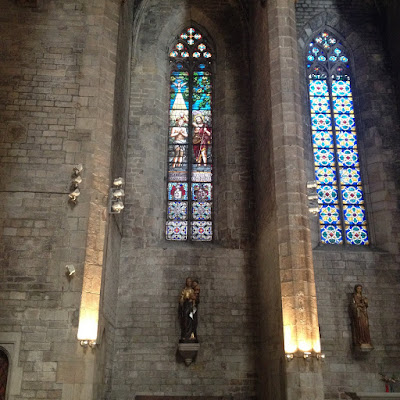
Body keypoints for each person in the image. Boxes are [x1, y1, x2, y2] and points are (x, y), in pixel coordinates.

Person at [351, 284, 373, 349]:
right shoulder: (354, 297)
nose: (359, 290)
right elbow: (354, 305)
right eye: (358, 288)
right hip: (358, 313)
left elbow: (366, 305)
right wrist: (359, 305)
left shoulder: (363, 297)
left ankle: (366, 340)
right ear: (356, 289)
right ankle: (360, 340)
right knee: (360, 326)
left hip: (364, 313)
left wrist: (365, 302)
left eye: (360, 288)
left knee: (365, 326)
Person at [178, 277, 198, 342]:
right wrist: (183, 300)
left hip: (191, 307)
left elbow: (195, 300)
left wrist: (193, 302)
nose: (189, 282)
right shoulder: (184, 290)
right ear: (186, 282)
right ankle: (185, 335)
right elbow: (181, 299)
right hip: (186, 307)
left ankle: (191, 335)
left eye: (190, 281)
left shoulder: (192, 291)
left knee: (191, 321)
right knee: (185, 320)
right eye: (188, 281)